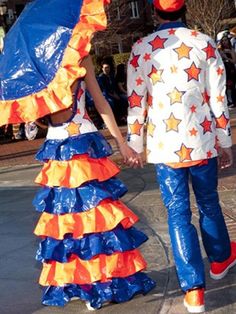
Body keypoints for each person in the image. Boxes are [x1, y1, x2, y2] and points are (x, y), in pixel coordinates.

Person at [0, 0, 155, 310]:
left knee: (77, 219)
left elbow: (90, 107)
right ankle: (89, 283)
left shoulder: (35, 74)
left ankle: (87, 283)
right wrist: (121, 141)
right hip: (77, 145)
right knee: (81, 219)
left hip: (68, 147)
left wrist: (122, 142)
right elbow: (100, 104)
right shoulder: (72, 61)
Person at [127, 0, 236, 313]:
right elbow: (218, 97)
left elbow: (137, 103)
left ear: (154, 11)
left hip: (165, 147)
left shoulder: (140, 48)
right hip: (200, 140)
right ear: (184, 9)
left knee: (177, 212)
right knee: (208, 202)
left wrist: (135, 143)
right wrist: (224, 140)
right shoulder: (205, 44)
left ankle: (193, 292)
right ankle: (219, 260)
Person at [218, 35, 236, 109]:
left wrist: (226, 57)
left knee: (231, 86)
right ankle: (227, 102)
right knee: (224, 86)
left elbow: (234, 61)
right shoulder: (219, 50)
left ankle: (232, 101)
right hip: (222, 69)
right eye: (223, 40)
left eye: (226, 40)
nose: (225, 42)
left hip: (230, 69)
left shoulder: (231, 50)